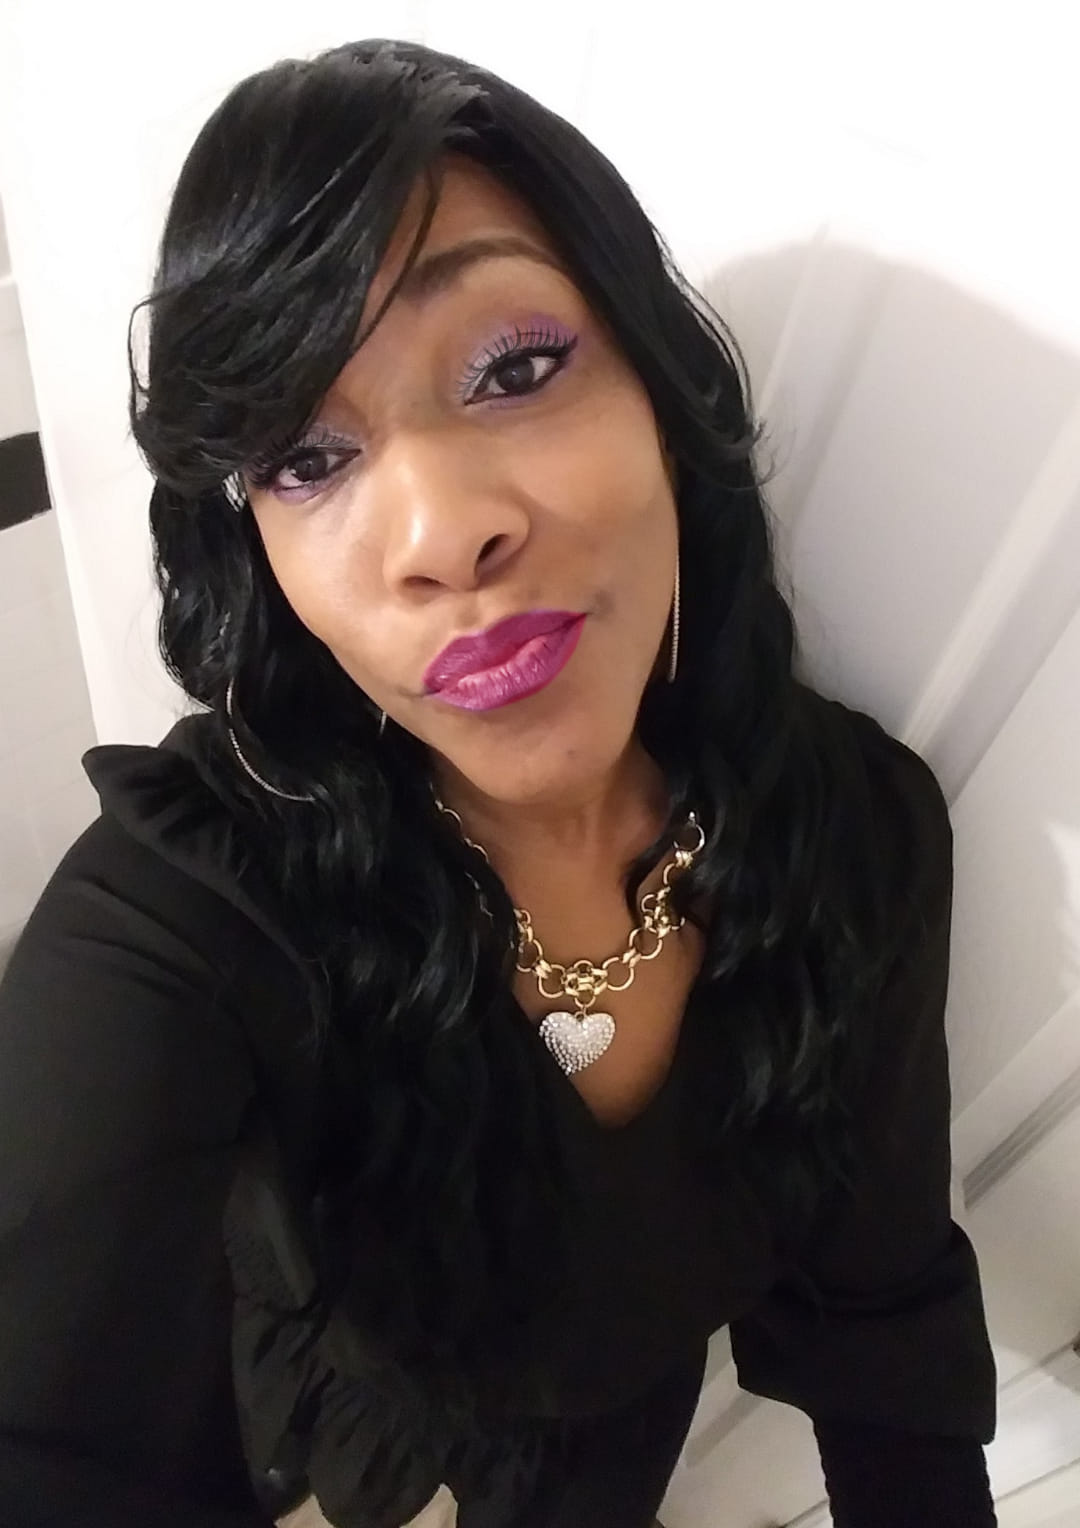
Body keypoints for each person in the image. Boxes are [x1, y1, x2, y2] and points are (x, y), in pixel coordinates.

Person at [0, 36, 998, 1528]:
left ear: (662, 394)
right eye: (306, 458)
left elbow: (890, 1347)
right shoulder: (196, 898)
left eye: (517, 366)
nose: (438, 534)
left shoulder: (855, 843)